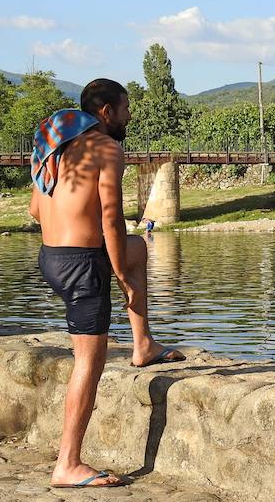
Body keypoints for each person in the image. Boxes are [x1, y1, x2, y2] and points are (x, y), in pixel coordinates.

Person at [28, 79, 184, 489]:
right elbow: (111, 219)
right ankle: (68, 463)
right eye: (126, 109)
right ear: (107, 112)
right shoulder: (107, 149)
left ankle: (143, 344)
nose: (129, 116)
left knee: (138, 250)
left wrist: (117, 258)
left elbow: (33, 207)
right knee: (89, 361)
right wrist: (118, 275)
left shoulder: (58, 147)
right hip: (82, 265)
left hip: (51, 258)